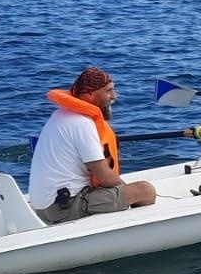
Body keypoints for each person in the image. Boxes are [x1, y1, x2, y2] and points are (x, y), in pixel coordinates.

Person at [28, 67, 156, 224]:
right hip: (63, 208)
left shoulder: (60, 115)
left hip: (45, 206)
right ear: (90, 95)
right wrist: (126, 192)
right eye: (109, 91)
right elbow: (104, 178)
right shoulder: (82, 123)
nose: (114, 96)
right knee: (145, 191)